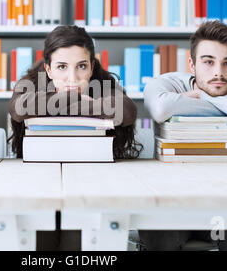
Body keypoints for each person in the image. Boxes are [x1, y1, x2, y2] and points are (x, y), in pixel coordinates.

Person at [140, 20, 227, 251]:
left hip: (225, 200)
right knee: (160, 233)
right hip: (169, 199)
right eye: (208, 62)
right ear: (192, 64)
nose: (218, 72)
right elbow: (162, 109)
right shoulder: (167, 83)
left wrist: (205, 97)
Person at [9, 25, 143, 250]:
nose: (73, 77)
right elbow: (19, 108)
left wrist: (58, 102)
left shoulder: (103, 82)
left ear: (91, 67)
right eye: (62, 67)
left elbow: (126, 111)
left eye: (81, 66)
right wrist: (86, 102)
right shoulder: (32, 82)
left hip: (92, 183)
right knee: (41, 240)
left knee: (77, 239)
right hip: (38, 183)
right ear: (48, 70)